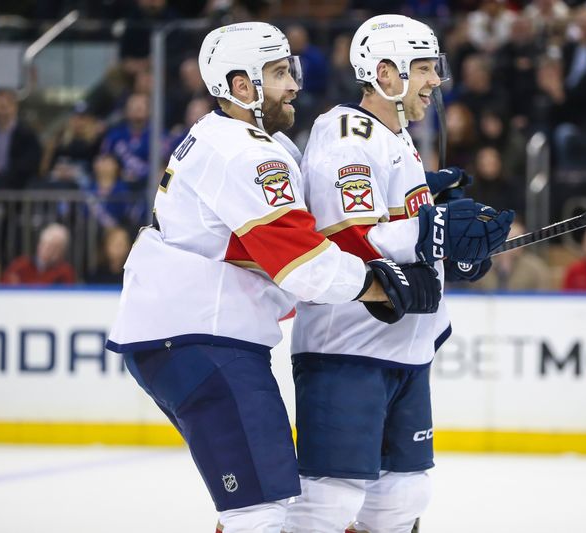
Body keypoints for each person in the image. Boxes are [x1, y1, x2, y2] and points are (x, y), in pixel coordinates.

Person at [104, 22, 468, 533]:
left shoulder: (233, 139)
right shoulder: (247, 154)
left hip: (193, 335)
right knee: (260, 513)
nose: (294, 84)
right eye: (278, 73)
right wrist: (382, 283)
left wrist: (408, 197)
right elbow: (304, 262)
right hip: (199, 337)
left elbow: (309, 221)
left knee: (273, 505)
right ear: (241, 86)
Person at [283, 15, 514, 533]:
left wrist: (453, 245)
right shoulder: (346, 134)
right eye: (426, 68)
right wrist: (436, 231)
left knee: (404, 496)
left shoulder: (398, 137)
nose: (436, 80)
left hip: (404, 347)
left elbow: (398, 226)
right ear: (385, 74)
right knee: (330, 501)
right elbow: (347, 236)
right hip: (347, 346)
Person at [1, 222, 76, 285]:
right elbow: (3, 289)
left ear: (62, 252)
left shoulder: (65, 272)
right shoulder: (20, 265)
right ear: (39, 245)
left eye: (56, 247)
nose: (50, 250)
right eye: (47, 245)